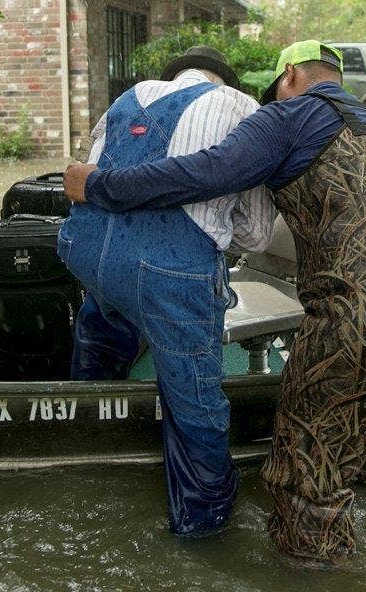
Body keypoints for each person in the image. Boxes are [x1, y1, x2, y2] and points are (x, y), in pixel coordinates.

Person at [64, 40, 366, 563]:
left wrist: (98, 185)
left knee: (303, 484)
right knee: (363, 441)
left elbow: (205, 172)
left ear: (288, 76)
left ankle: (313, 571)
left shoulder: (287, 117)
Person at [58, 46, 274, 536]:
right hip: (170, 272)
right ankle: (202, 523)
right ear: (227, 81)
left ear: (171, 77)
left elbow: (90, 173)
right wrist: (211, 228)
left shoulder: (128, 97)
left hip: (88, 255)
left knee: (104, 327)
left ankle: (88, 454)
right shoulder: (243, 108)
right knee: (195, 401)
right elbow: (256, 236)